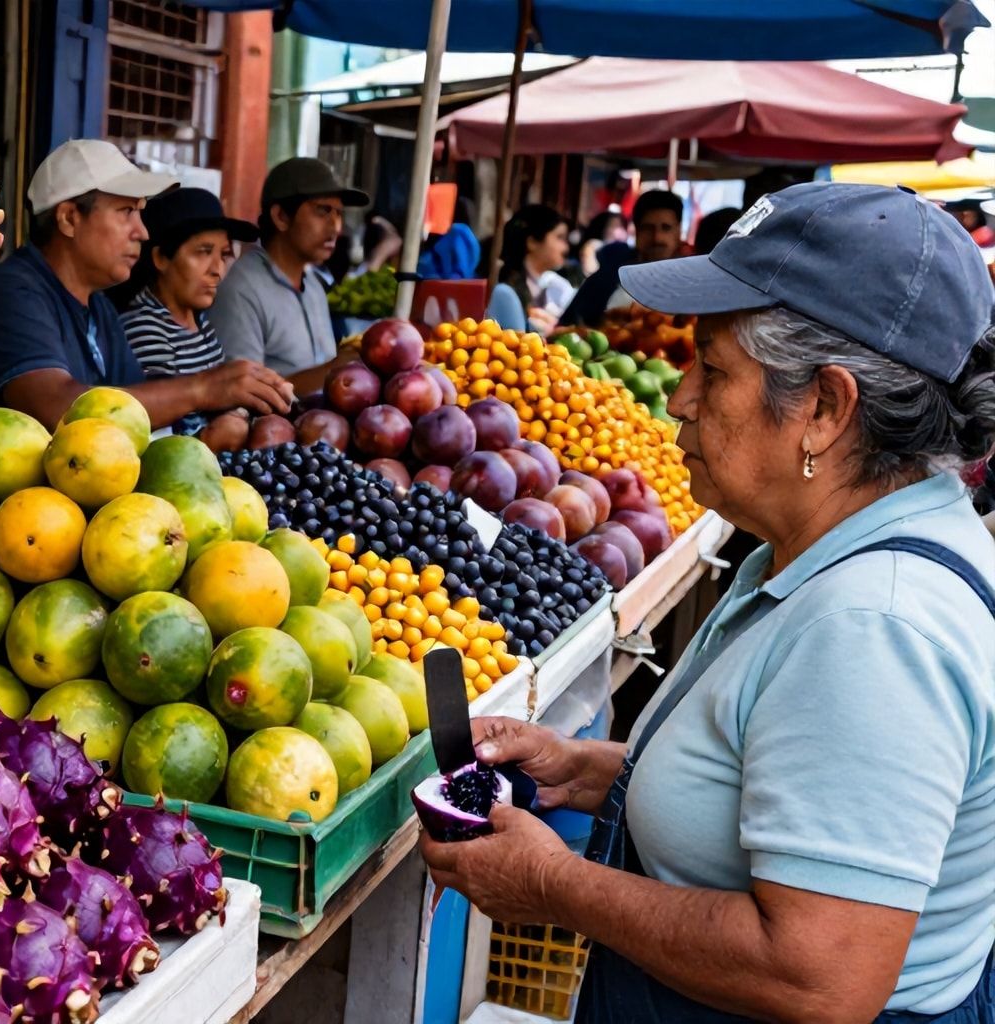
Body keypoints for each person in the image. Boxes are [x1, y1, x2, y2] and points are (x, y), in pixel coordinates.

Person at [422, 183, 995, 1023]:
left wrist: (552, 884)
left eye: (714, 370)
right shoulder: (819, 547)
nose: (679, 398)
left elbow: (816, 972)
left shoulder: (874, 626)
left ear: (825, 410)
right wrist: (582, 769)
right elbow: (788, 786)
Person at [0, 140, 291, 451]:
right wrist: (204, 388)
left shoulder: (97, 306)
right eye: (126, 211)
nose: (142, 232)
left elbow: (127, 408)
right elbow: (57, 410)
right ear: (69, 218)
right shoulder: (8, 295)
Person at [210, 157, 369, 394]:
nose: (336, 227)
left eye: (339, 213)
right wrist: (335, 368)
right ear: (281, 216)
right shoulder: (242, 289)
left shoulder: (314, 287)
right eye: (323, 210)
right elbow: (241, 393)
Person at [110, 187, 257, 434]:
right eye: (203, 252)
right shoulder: (144, 327)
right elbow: (159, 430)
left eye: (223, 254)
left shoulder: (201, 324)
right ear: (161, 259)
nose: (217, 269)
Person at [559, 190, 684, 327]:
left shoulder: (691, 282)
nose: (657, 238)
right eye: (648, 228)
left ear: (678, 232)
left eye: (666, 228)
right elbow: (568, 327)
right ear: (636, 231)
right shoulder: (607, 277)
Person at [496, 204, 575, 332]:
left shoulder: (555, 285)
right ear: (532, 242)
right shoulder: (505, 291)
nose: (565, 248)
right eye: (559, 237)